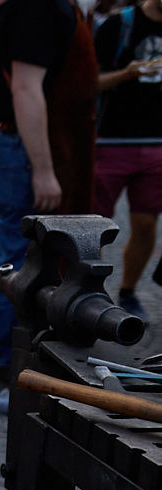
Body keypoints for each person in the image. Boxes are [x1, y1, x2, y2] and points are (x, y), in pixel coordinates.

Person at [0, 0, 93, 411]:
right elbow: (26, 88)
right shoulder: (38, 9)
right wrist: (43, 170)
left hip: (25, 148)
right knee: (18, 265)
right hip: (25, 152)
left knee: (18, 260)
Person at [92, 0, 162, 321]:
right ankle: (90, 290)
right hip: (111, 140)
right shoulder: (119, 26)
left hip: (155, 144)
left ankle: (129, 291)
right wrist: (128, 72)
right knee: (95, 224)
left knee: (147, 222)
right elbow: (90, 83)